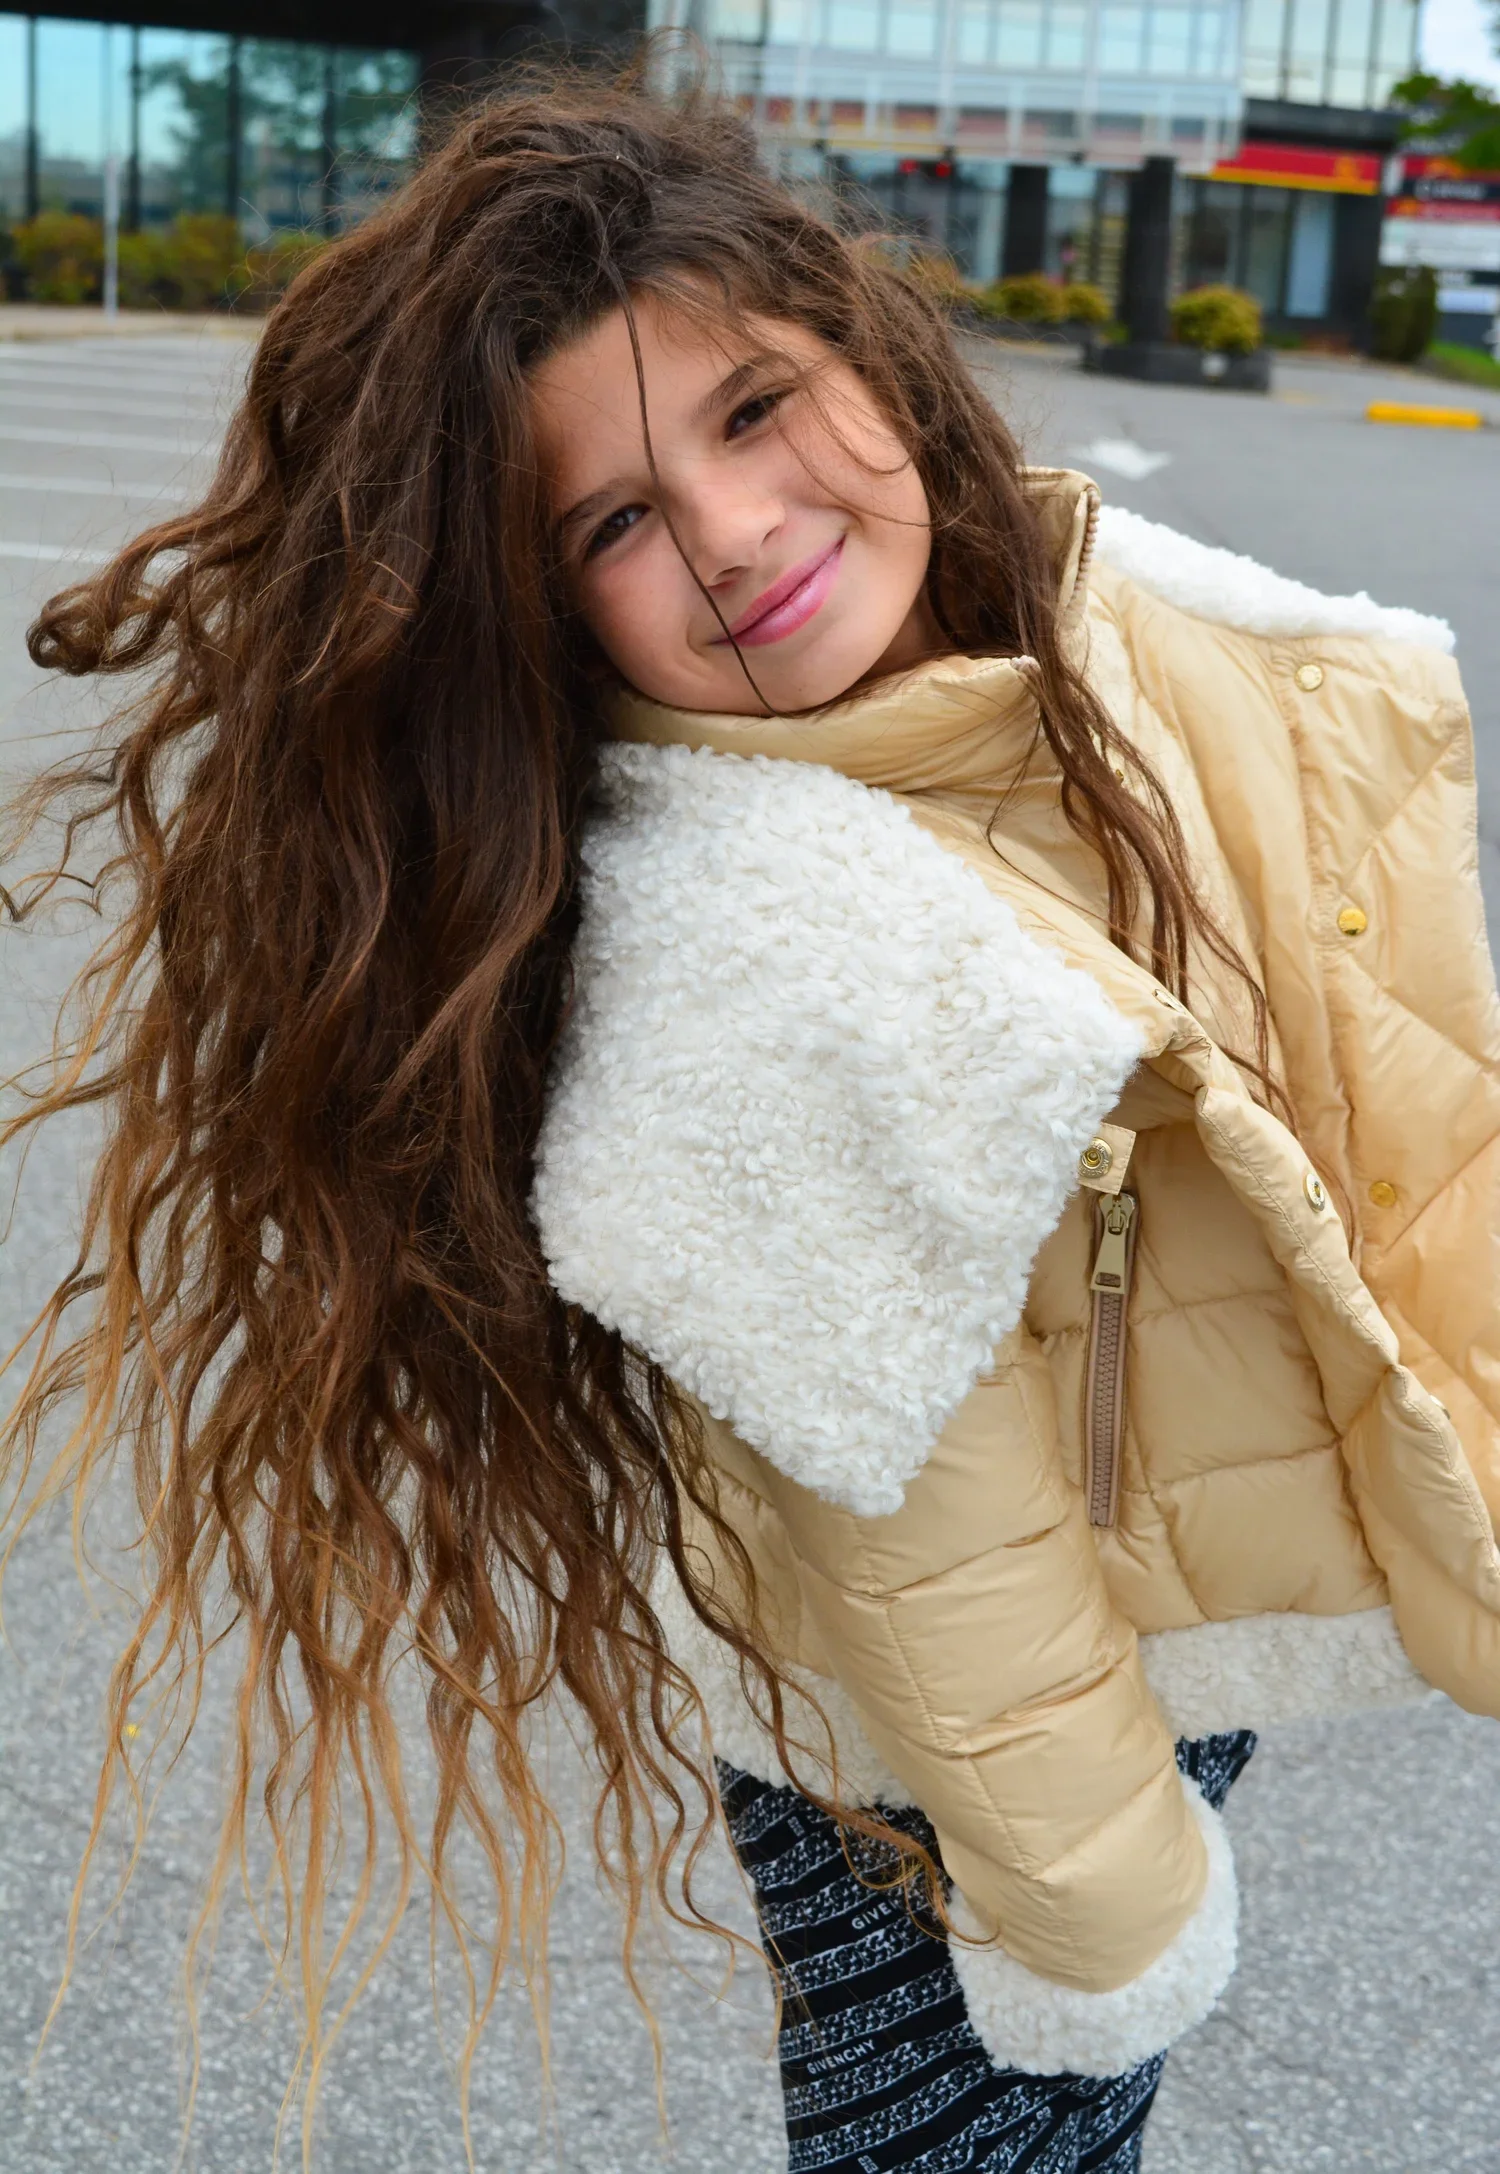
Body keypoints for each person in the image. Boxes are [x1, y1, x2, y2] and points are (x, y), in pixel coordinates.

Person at [5, 70, 1499, 2174]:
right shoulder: (738, 969)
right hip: (933, 1767)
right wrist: (1113, 1922)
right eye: (612, 522)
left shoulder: (1068, 642)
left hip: (1144, 1585)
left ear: (871, 358)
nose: (729, 535)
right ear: (545, 603)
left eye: (750, 412)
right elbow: (935, 1572)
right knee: (990, 2141)